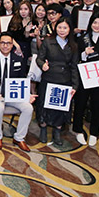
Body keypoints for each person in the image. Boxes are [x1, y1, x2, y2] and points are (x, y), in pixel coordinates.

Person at [0, 32, 36, 152]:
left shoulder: (18, 60)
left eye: (8, 43)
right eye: (3, 43)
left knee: (28, 108)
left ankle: (19, 137)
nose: (5, 46)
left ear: (12, 45)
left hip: (13, 95)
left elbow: (22, 79)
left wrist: (27, 95)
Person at [35, 17, 79, 146]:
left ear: (69, 29)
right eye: (59, 27)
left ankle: (57, 131)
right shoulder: (48, 41)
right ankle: (43, 128)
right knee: (44, 105)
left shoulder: (73, 45)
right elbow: (39, 58)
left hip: (65, 79)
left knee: (60, 107)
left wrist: (75, 85)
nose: (62, 30)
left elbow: (74, 67)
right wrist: (43, 65)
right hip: (49, 78)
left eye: (65, 28)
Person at [73, 13, 99, 146]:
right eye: (95, 23)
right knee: (80, 103)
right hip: (85, 75)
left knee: (97, 105)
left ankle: (94, 133)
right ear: (90, 23)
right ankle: (78, 130)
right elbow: (77, 57)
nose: (97, 26)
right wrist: (85, 54)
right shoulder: (82, 38)